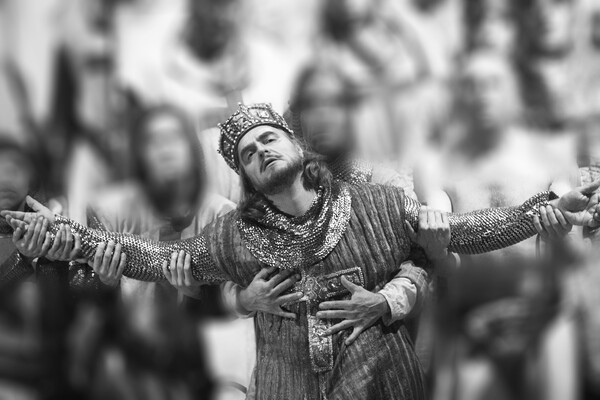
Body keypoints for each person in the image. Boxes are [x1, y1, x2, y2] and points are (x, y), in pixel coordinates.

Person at [4, 103, 600, 400]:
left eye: (268, 138)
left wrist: (540, 209)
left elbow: (466, 232)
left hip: (384, 385)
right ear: (245, 176)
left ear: (294, 143)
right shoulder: (234, 235)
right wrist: (70, 238)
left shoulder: (376, 200)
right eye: (247, 154)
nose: (260, 151)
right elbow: (158, 260)